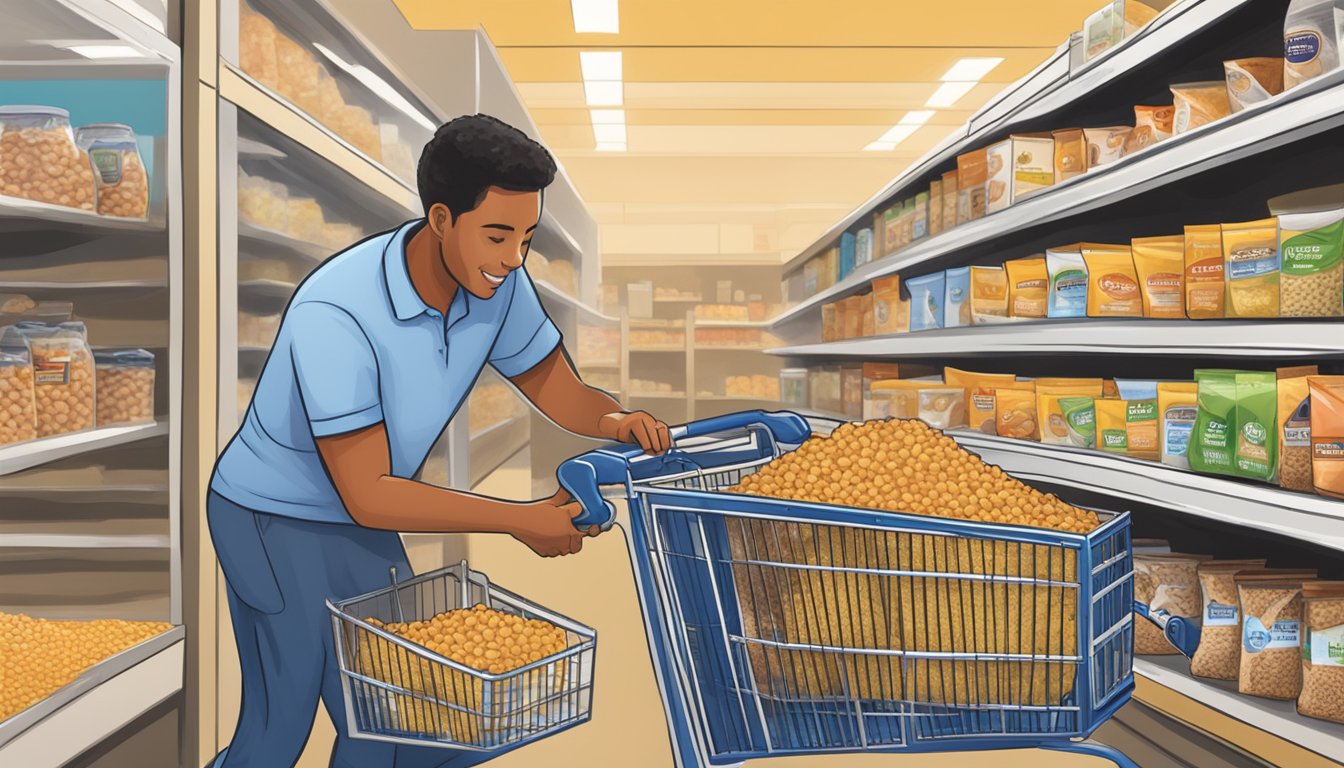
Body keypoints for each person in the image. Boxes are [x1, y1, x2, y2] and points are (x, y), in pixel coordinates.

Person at [207, 114, 671, 768]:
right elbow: (368, 494)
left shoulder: (499, 288)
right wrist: (518, 520)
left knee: (398, 719)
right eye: (498, 234)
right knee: (281, 718)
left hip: (356, 516)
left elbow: (553, 386)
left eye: (528, 238)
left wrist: (613, 421)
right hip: (269, 514)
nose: (514, 258)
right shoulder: (336, 313)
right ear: (441, 219)